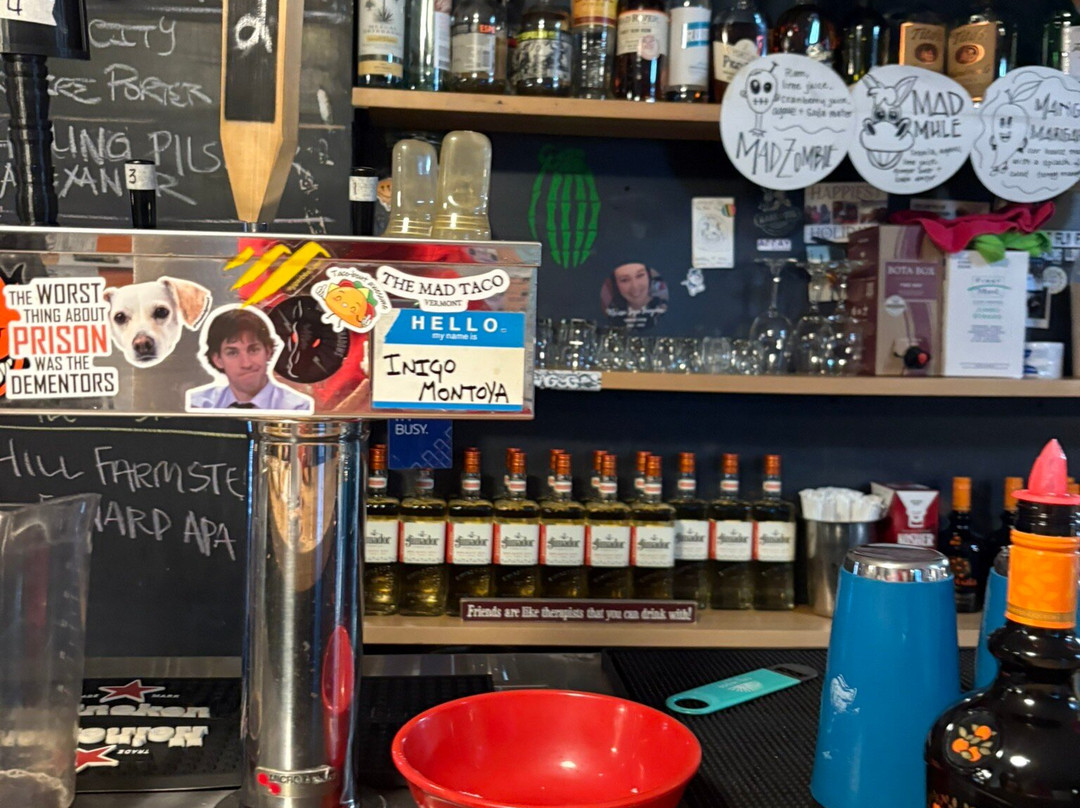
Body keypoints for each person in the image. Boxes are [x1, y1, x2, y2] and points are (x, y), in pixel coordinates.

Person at [186, 307, 313, 412]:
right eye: (232, 353)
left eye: (253, 350)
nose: (246, 364)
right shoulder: (198, 406)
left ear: (268, 351)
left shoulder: (298, 408)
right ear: (217, 360)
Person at [604, 262, 667, 329]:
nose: (635, 286)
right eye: (624, 280)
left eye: (640, 276)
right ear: (616, 285)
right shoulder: (612, 313)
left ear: (649, 277)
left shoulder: (662, 309)